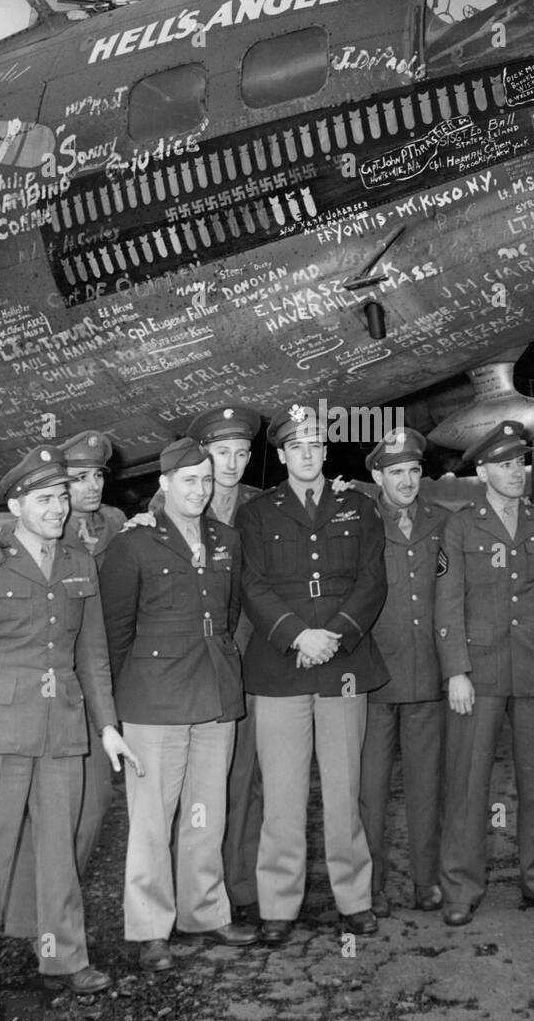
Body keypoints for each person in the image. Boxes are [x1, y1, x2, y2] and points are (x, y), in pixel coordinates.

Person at [0, 446, 140, 1021]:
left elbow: (92, 655)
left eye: (61, 497)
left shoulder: (79, 561)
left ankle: (63, 957)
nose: (57, 508)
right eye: (44, 499)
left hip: (64, 729)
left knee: (61, 850)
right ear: (16, 504)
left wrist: (107, 728)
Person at [99, 437, 256, 971]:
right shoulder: (132, 545)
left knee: (205, 814)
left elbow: (229, 612)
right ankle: (150, 928)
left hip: (214, 688)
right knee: (151, 819)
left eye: (207, 481)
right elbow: (115, 631)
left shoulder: (227, 538)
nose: (200, 490)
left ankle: (205, 912)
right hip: (154, 698)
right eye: (189, 481)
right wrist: (124, 704)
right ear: (164, 485)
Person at [236, 401, 388, 946]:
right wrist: (299, 636)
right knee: (281, 795)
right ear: (280, 455)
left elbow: (372, 581)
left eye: (317, 445)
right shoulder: (256, 514)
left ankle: (354, 898)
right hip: (281, 666)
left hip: (343, 666)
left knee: (345, 792)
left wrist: (336, 636)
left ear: (326, 451)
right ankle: (279, 903)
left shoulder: (359, 505)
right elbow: (252, 585)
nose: (308, 454)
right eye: (297, 446)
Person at [434, 421, 534, 928]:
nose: (516, 472)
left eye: (520, 462)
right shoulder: (461, 526)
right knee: (467, 783)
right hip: (480, 671)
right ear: (482, 471)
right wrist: (456, 671)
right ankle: (461, 888)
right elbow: (447, 605)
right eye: (504, 464)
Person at [357, 427, 448, 917]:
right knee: (370, 791)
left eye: (414, 470)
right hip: (373, 679)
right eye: (396, 472)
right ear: (377, 475)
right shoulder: (358, 522)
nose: (408, 480)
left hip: (427, 676)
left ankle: (427, 881)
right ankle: (370, 888)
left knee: (426, 787)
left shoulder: (444, 522)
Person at [184, 405, 264, 921]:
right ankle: (192, 891)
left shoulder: (263, 506)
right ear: (204, 457)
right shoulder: (177, 503)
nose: (230, 463)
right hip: (196, 664)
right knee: (195, 784)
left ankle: (242, 886)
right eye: (220, 453)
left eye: (239, 452)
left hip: (253, 659)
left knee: (246, 776)